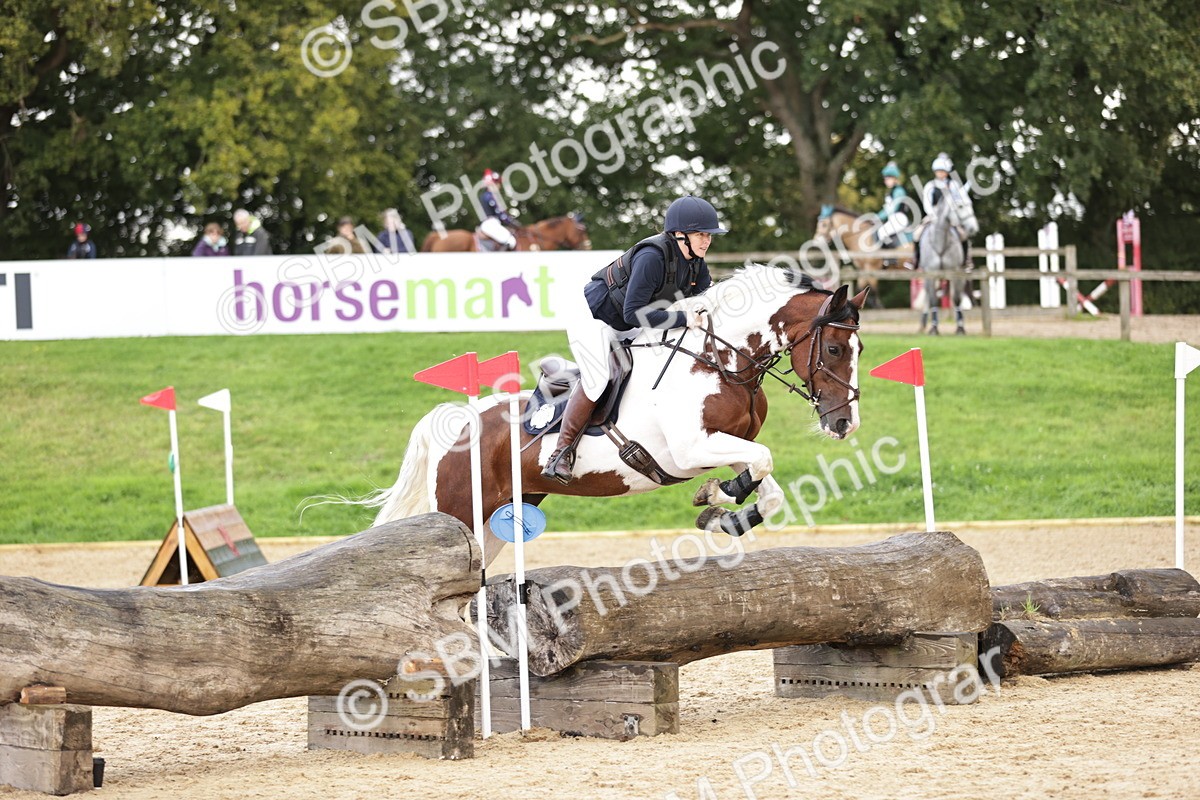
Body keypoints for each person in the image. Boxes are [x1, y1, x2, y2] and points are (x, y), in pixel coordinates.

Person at [541, 195, 727, 485]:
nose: (706, 241)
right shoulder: (652, 257)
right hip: (594, 319)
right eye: (701, 234)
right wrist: (682, 319)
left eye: (709, 235)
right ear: (680, 235)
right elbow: (633, 314)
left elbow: (705, 297)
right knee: (600, 377)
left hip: (631, 321)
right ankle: (561, 452)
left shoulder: (694, 262)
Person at [914, 153, 977, 269]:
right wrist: (933, 215)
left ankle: (966, 260)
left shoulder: (953, 185)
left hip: (951, 217)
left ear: (947, 172)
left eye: (943, 171)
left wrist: (953, 215)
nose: (941, 173)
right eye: (938, 171)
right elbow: (927, 204)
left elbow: (958, 202)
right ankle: (917, 260)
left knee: (963, 234)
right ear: (935, 172)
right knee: (917, 234)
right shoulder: (930, 186)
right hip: (933, 216)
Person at [876, 162, 911, 264]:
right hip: (893, 217)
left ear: (895, 179)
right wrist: (877, 216)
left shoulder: (898, 190)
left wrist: (879, 216)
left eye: (888, 178)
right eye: (885, 178)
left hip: (899, 217)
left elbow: (892, 209)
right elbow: (887, 209)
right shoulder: (890, 191)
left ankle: (890, 258)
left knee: (881, 232)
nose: (886, 180)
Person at [478, 169, 518, 250]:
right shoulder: (490, 196)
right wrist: (511, 222)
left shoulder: (485, 195)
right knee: (511, 241)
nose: (499, 186)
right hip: (491, 224)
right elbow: (501, 214)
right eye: (497, 183)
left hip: (491, 223)